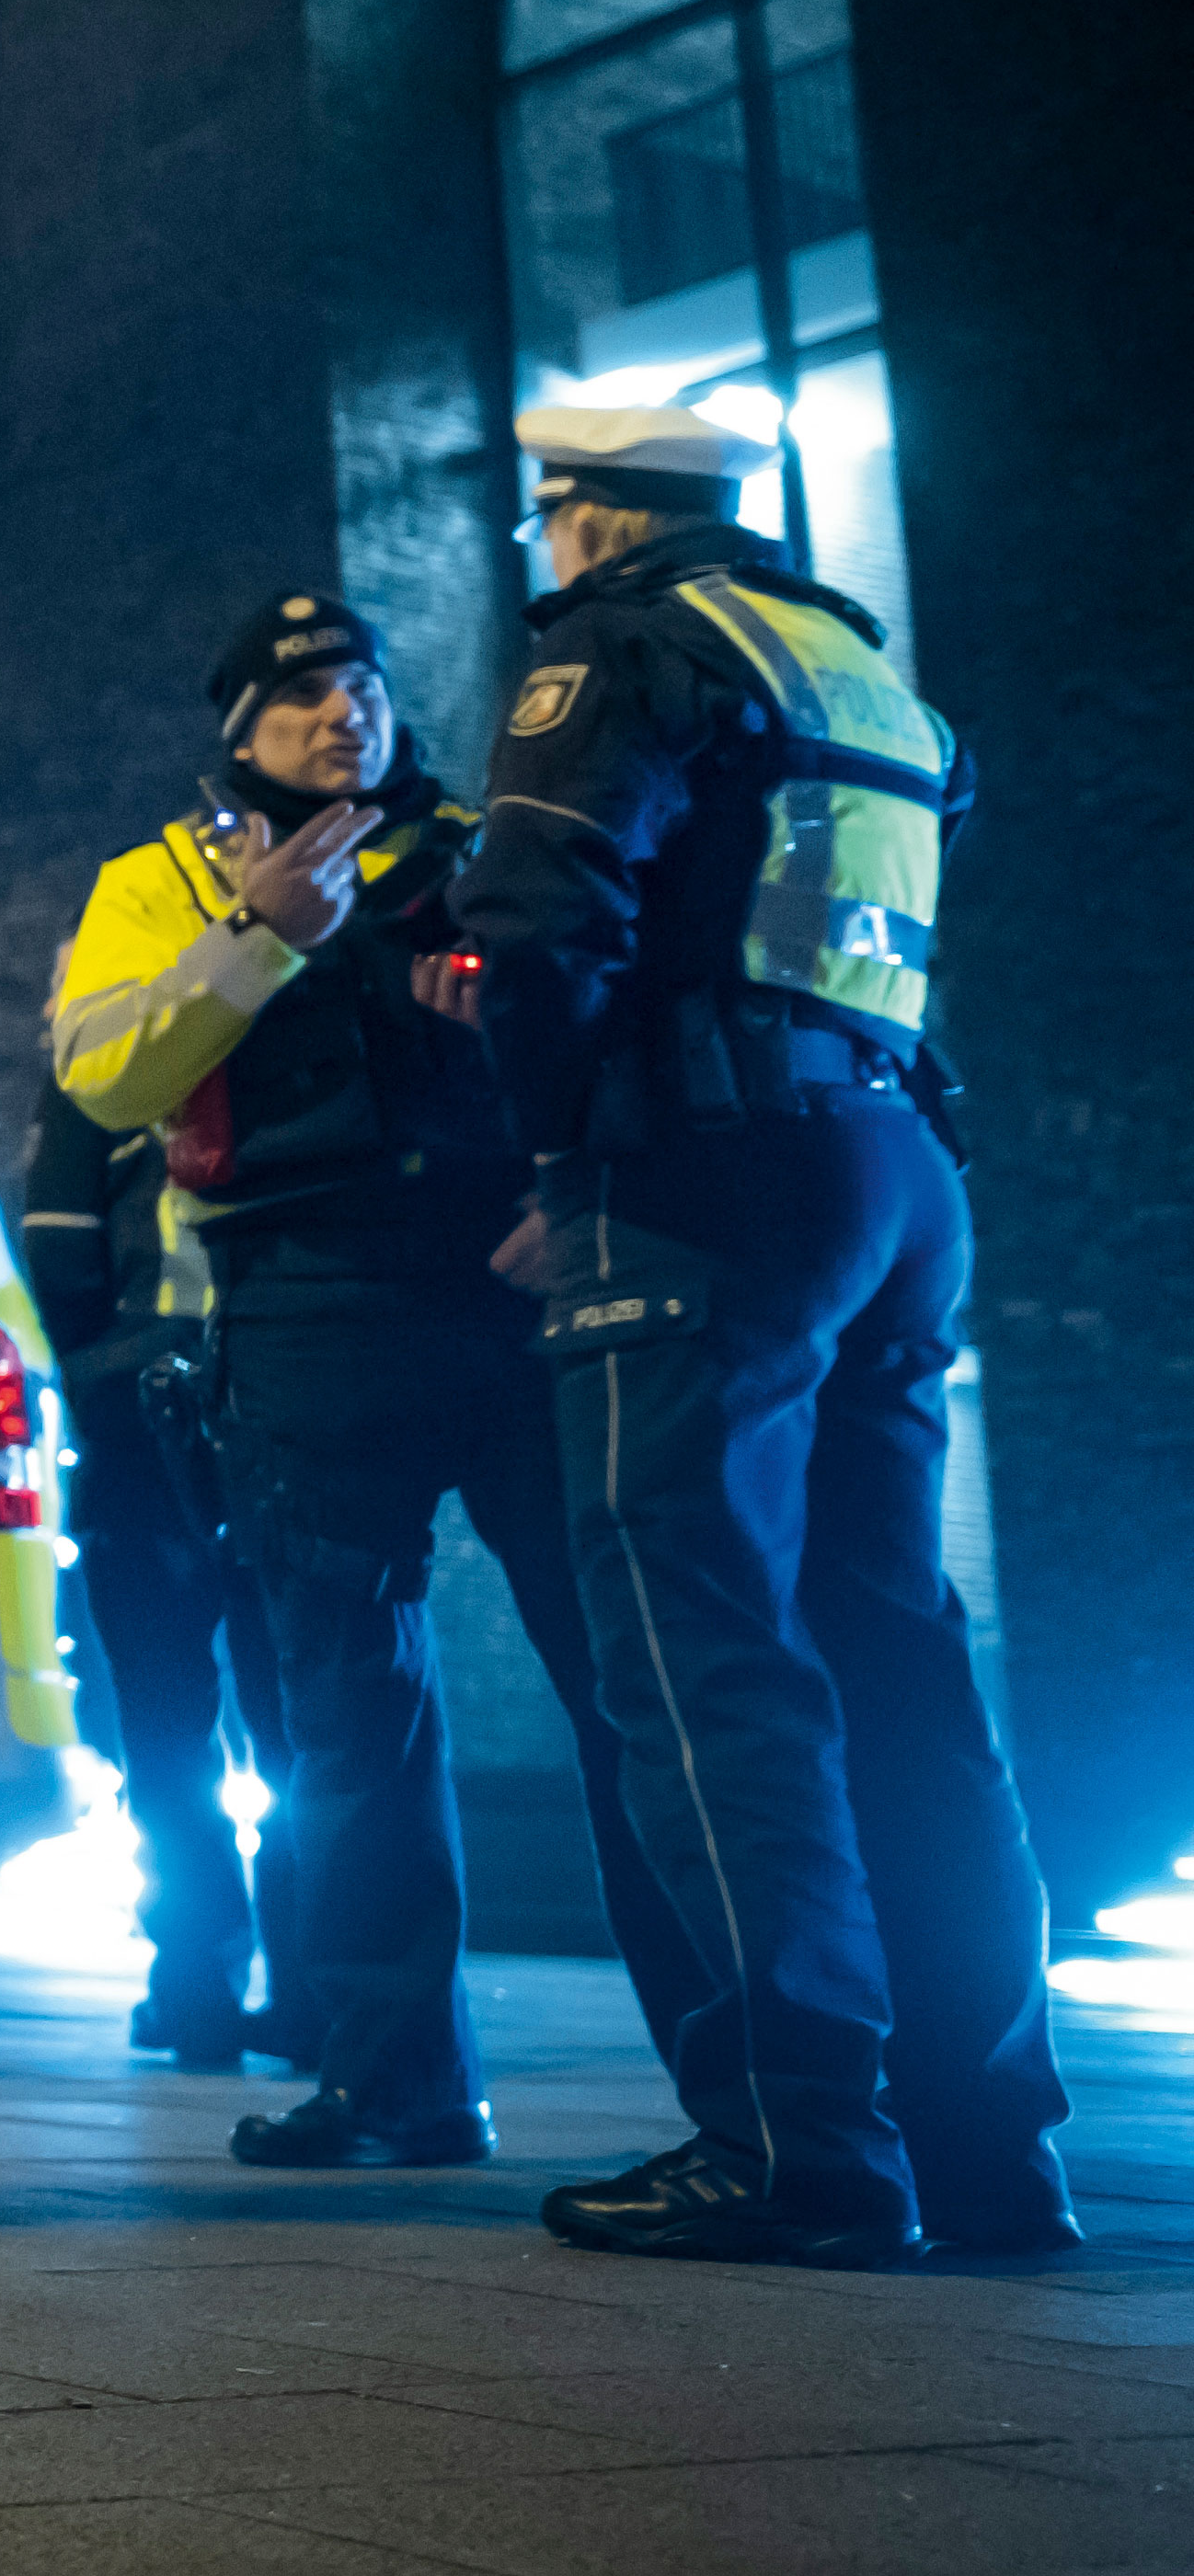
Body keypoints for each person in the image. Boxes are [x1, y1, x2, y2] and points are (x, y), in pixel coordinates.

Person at [459, 399, 1066, 2269]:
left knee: (704, 1652)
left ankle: (792, 2146)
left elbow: (540, 922)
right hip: (892, 1160)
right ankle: (988, 2149)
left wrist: (565, 1160)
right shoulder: (862, 669)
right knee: (898, 1654)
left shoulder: (626, 652)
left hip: (709, 1182)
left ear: (579, 522)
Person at [49, 594, 716, 2170]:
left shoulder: (496, 841)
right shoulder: (160, 884)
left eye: (359, 688)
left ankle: (745, 2081)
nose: (343, 716)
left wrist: (573, 1159)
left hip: (509, 1289)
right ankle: (394, 2081)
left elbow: (627, 1007)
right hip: (304, 1309)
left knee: (630, 1679)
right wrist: (259, 930)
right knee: (347, 1721)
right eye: (300, 701)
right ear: (239, 736)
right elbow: (105, 1071)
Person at [14, 1070, 309, 2070]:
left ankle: (195, 1983)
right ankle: (317, 1983)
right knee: (297, 1715)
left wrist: (90, 1367)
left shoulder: (95, 1077)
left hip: (140, 1413)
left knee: (165, 1724)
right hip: (273, 1391)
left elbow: (57, 1251)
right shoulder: (276, 1042)